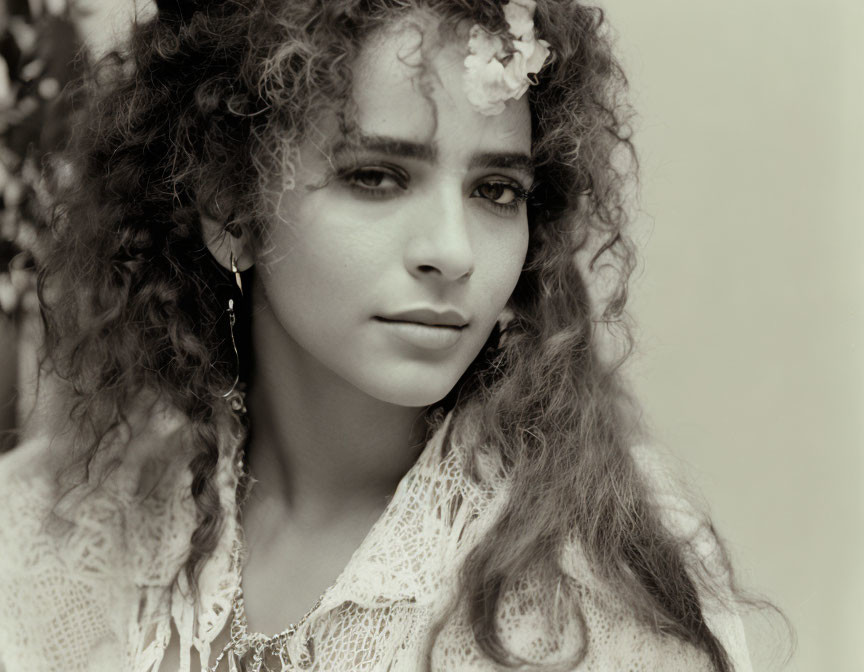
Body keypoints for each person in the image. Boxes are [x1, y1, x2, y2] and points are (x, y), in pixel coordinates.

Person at [0, 0, 755, 670]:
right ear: (232, 207)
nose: (453, 251)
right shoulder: (49, 530)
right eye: (377, 177)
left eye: (497, 190)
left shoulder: (604, 573)